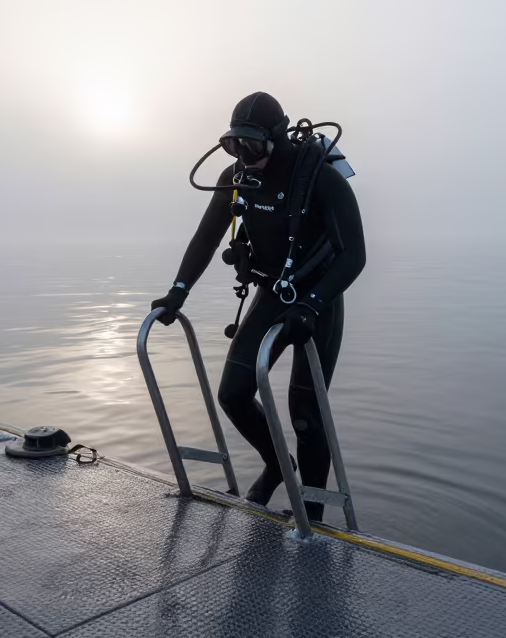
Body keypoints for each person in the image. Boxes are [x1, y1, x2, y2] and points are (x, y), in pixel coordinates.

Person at [151, 92, 366, 520]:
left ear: (277, 137)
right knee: (233, 394)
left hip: (318, 301)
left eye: (252, 145)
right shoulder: (237, 176)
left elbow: (354, 256)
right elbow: (207, 236)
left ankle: (312, 517)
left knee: (305, 413)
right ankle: (278, 466)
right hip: (272, 293)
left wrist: (312, 304)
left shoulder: (321, 180)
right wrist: (178, 291)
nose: (244, 156)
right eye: (235, 145)